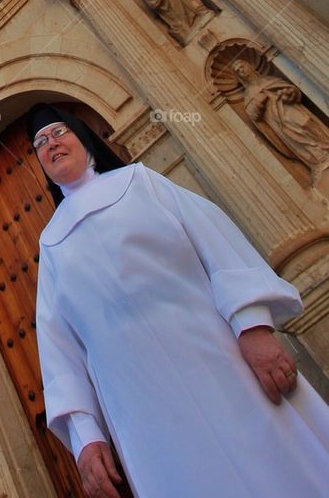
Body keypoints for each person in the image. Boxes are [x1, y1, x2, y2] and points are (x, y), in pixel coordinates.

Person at [27, 103, 329, 498]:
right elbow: (58, 350)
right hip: (142, 410)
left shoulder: (142, 182)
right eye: (40, 142)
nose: (50, 144)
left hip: (223, 363)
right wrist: (85, 437)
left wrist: (253, 327)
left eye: (58, 132)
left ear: (84, 139)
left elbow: (216, 245)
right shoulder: (50, 244)